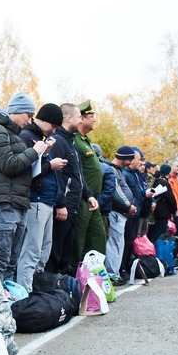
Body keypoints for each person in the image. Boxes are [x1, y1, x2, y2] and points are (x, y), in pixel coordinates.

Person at [0, 92, 53, 283]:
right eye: (28, 115)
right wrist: (34, 152)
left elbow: (22, 166)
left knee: (11, 263)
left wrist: (41, 154)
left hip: (17, 202)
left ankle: (10, 307)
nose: (30, 121)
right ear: (17, 111)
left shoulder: (12, 134)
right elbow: (9, 165)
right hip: (4, 203)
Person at [16, 103, 66, 291]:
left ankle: (35, 289)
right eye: (52, 126)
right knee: (31, 252)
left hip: (46, 200)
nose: (54, 131)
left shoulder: (39, 138)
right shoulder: (26, 137)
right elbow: (26, 171)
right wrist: (49, 165)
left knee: (43, 252)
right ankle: (24, 294)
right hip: (35, 200)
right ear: (43, 119)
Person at [48, 103, 97, 274]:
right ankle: (52, 287)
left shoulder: (71, 142)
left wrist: (88, 195)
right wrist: (61, 203)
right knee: (55, 252)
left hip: (73, 206)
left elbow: (77, 174)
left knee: (65, 253)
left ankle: (61, 288)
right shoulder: (59, 142)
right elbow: (56, 176)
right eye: (78, 117)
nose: (81, 120)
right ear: (69, 118)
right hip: (64, 207)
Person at [72, 99, 106, 265]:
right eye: (91, 116)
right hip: (82, 199)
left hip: (93, 199)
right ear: (82, 118)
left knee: (98, 238)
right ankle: (76, 278)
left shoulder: (85, 141)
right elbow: (77, 170)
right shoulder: (75, 140)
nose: (94, 119)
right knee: (78, 241)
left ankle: (96, 277)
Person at [103, 146, 136, 284]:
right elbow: (116, 192)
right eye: (131, 159)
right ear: (125, 158)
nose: (131, 162)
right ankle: (112, 273)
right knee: (114, 243)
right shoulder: (112, 170)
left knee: (118, 243)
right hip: (116, 212)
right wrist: (128, 206)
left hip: (120, 213)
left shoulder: (118, 171)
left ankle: (114, 272)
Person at [148, 164, 177, 243]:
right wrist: (174, 210)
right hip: (162, 212)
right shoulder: (164, 183)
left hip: (155, 212)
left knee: (153, 233)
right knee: (159, 234)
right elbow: (170, 199)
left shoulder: (156, 181)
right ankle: (156, 252)